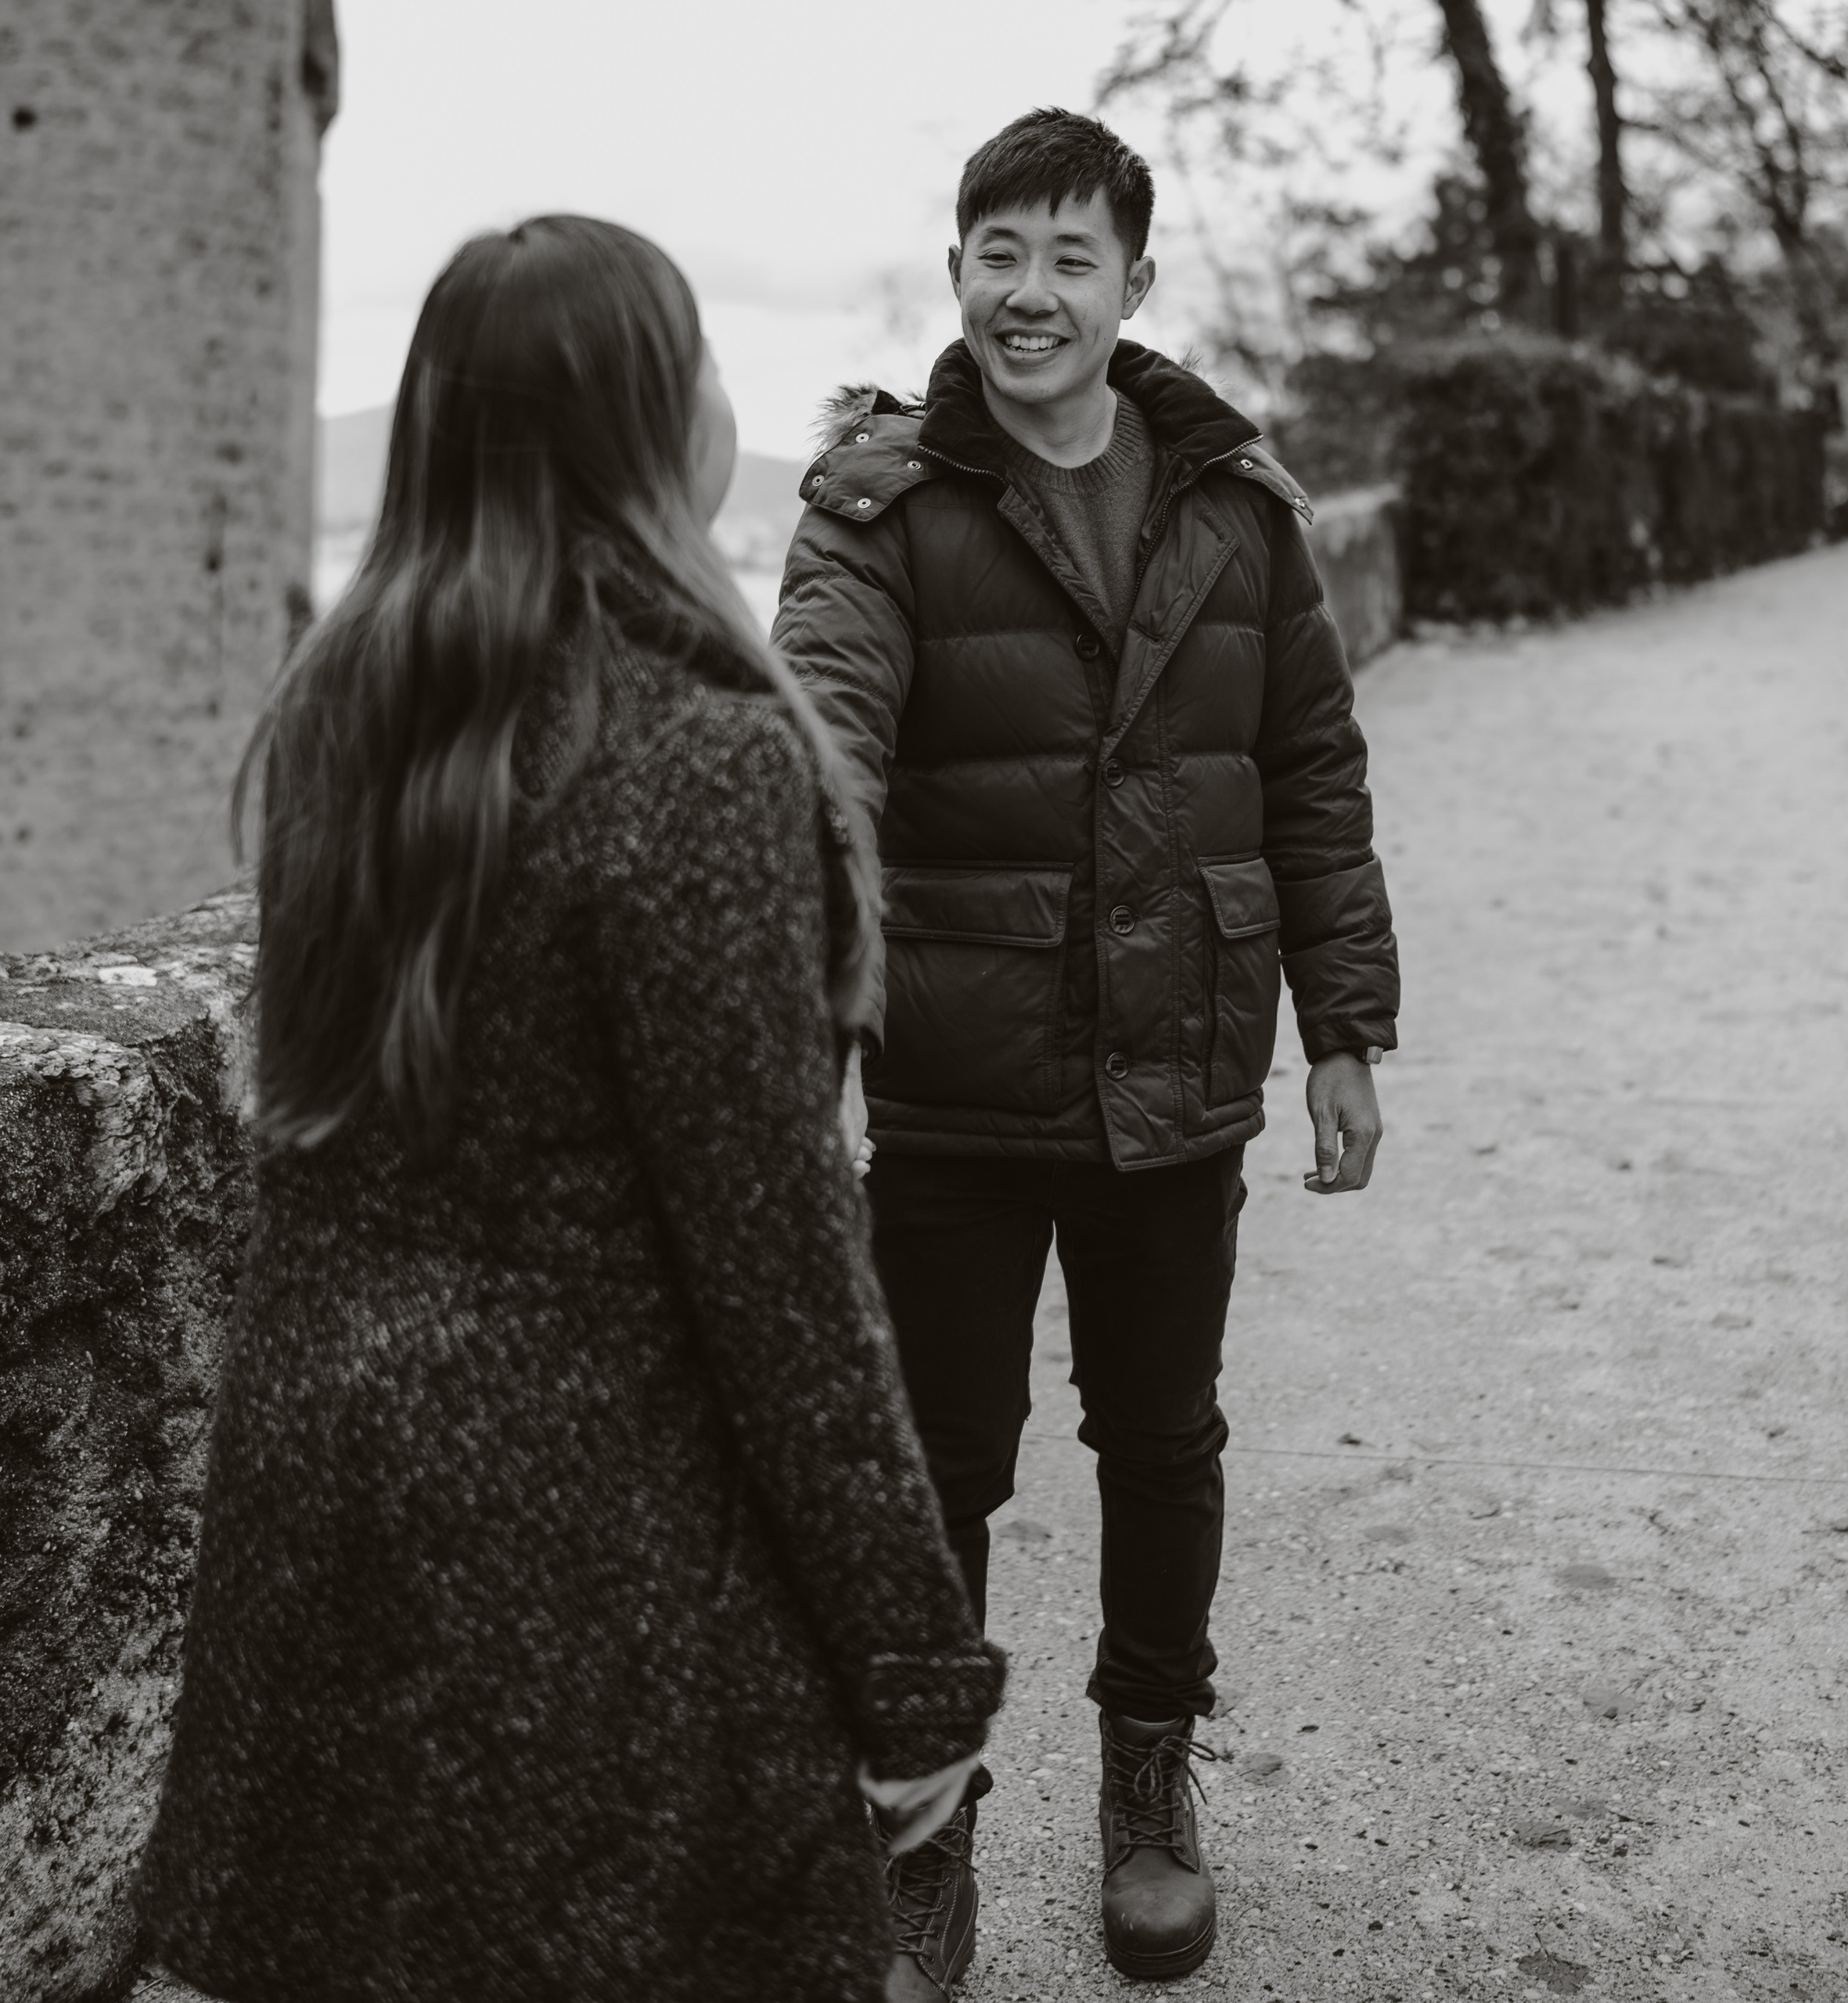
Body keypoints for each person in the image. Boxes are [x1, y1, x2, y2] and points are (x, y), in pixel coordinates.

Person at [137, 215, 1003, 2003]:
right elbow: (778, 1271)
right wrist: (911, 1680)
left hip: (326, 1514)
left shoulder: (344, 716)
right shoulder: (693, 761)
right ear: (650, 424)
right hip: (588, 1563)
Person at [774, 109, 1400, 1987]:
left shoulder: (1234, 503)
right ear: (952, 271)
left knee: (1160, 1437)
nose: (1026, 292)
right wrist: (795, 991)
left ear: (1134, 283)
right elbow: (825, 738)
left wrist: (1345, 1027)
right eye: (995, 253)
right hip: (959, 1075)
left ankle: (1147, 1788)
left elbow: (1308, 774)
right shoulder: (871, 508)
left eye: (1067, 257)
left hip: (1181, 1062)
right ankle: (918, 1832)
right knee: (935, 1466)